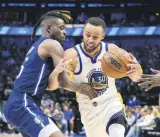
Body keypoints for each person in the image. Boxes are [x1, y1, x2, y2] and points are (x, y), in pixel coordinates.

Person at [4, 10, 97, 137]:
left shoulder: (38, 45)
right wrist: (84, 88)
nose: (65, 32)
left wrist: (55, 75)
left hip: (20, 103)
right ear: (49, 28)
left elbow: (50, 86)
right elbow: (65, 82)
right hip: (23, 103)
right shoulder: (52, 44)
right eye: (61, 28)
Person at [64, 17, 143, 137]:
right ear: (83, 33)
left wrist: (136, 71)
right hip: (89, 110)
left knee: (117, 131)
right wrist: (78, 88)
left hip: (111, 104)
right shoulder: (72, 55)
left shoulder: (112, 51)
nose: (90, 40)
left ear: (102, 37)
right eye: (87, 35)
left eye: (95, 37)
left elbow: (137, 78)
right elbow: (60, 81)